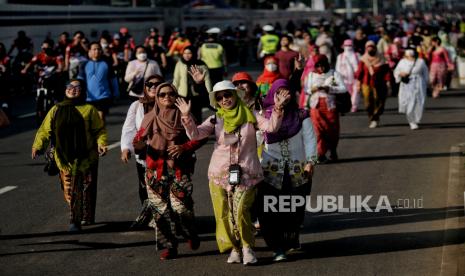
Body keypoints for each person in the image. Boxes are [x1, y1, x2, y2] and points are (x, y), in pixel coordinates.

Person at [176, 80, 289, 265]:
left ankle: (247, 247)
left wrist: (277, 109)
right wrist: (187, 116)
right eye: (219, 97)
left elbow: (271, 127)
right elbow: (196, 135)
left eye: (227, 95)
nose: (224, 99)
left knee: (241, 210)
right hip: (219, 174)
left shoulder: (251, 115)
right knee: (223, 214)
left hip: (247, 173)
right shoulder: (215, 119)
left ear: (235, 95)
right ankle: (235, 248)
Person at [134, 82, 205, 260]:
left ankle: (191, 233)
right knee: (161, 211)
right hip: (155, 170)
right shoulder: (150, 117)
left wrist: (184, 147)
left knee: (181, 208)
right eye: (162, 95)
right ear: (156, 98)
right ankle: (170, 246)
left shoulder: (185, 115)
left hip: (180, 169)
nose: (167, 97)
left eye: (171, 94)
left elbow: (199, 137)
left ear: (176, 96)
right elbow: (138, 142)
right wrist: (140, 143)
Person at [31, 79, 108, 232]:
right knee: (68, 190)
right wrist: (37, 145)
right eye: (70, 87)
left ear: (83, 91)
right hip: (64, 158)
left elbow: (99, 130)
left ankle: (76, 218)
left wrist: (102, 143)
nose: (73, 90)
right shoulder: (56, 109)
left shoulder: (89, 109)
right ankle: (79, 214)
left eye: (77, 87)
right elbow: (45, 130)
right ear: (65, 90)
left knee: (83, 188)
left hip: (86, 157)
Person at [257, 79, 317, 262]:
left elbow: (310, 139)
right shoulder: (262, 116)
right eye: (279, 93)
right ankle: (277, 247)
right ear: (272, 95)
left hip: (297, 171)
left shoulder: (301, 115)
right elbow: (255, 141)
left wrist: (310, 162)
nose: (283, 97)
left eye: (286, 93)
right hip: (270, 172)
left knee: (293, 210)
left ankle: (290, 239)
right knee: (269, 210)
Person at [121, 75, 165, 209]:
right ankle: (150, 215)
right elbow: (129, 128)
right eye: (149, 84)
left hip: (165, 153)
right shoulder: (136, 105)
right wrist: (126, 148)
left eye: (157, 84)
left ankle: (166, 215)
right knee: (145, 185)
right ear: (144, 87)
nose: (153, 87)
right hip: (144, 153)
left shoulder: (169, 102)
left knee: (164, 184)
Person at [305, 55, 346, 163]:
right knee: (317, 131)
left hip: (330, 107)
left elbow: (343, 88)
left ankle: (332, 150)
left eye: (323, 66)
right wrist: (313, 89)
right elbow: (307, 89)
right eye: (318, 66)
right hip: (316, 107)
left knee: (332, 131)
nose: (321, 69)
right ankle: (320, 153)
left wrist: (329, 88)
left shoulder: (334, 74)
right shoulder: (311, 75)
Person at [78, 42, 119, 123]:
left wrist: (116, 92)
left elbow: (113, 79)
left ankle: (102, 135)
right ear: (89, 51)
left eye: (99, 49)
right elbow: (80, 80)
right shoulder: (84, 64)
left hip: (103, 96)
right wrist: (78, 94)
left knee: (101, 119)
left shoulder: (107, 63)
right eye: (94, 49)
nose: (97, 51)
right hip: (88, 97)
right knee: (89, 120)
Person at [355, 41, 391, 128]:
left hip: (380, 84)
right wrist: (358, 84)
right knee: (368, 103)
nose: (370, 49)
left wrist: (388, 82)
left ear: (375, 48)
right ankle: (372, 117)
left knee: (379, 101)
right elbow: (359, 73)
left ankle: (375, 118)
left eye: (372, 47)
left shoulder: (382, 58)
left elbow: (387, 72)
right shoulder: (363, 60)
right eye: (368, 47)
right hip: (366, 84)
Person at [172, 46, 212, 123]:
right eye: (185, 53)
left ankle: (198, 131)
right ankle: (187, 132)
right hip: (182, 95)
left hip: (196, 95)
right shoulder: (180, 63)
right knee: (183, 116)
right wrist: (173, 92)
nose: (186, 55)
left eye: (189, 53)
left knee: (197, 116)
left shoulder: (201, 64)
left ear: (193, 54)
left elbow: (207, 80)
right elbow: (176, 80)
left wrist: (210, 94)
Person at [394, 48, 429, 130]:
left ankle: (416, 119)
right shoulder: (402, 62)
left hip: (419, 84)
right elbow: (396, 71)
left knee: (419, 102)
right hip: (407, 85)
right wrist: (400, 74)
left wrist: (426, 83)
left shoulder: (420, 62)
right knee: (409, 102)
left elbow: (425, 72)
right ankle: (411, 121)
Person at [335, 39, 360, 112]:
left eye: (350, 45)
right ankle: (346, 106)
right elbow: (337, 68)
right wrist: (338, 77)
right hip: (344, 79)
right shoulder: (340, 56)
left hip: (355, 78)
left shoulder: (357, 55)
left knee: (355, 93)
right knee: (345, 93)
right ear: (343, 46)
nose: (348, 47)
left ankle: (354, 106)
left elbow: (359, 67)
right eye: (346, 45)